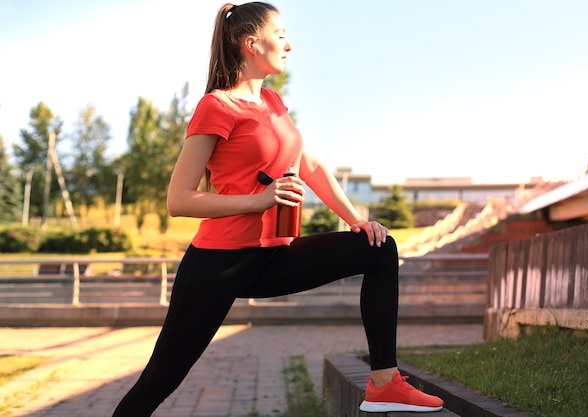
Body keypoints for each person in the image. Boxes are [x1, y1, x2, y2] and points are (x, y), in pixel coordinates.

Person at [111, 2, 444, 415]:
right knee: (158, 382)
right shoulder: (216, 106)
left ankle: (384, 384)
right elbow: (178, 199)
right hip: (218, 265)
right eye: (281, 34)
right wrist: (260, 200)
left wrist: (357, 220)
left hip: (273, 255)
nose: (289, 45)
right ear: (252, 44)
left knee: (378, 249)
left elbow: (311, 164)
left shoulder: (273, 102)